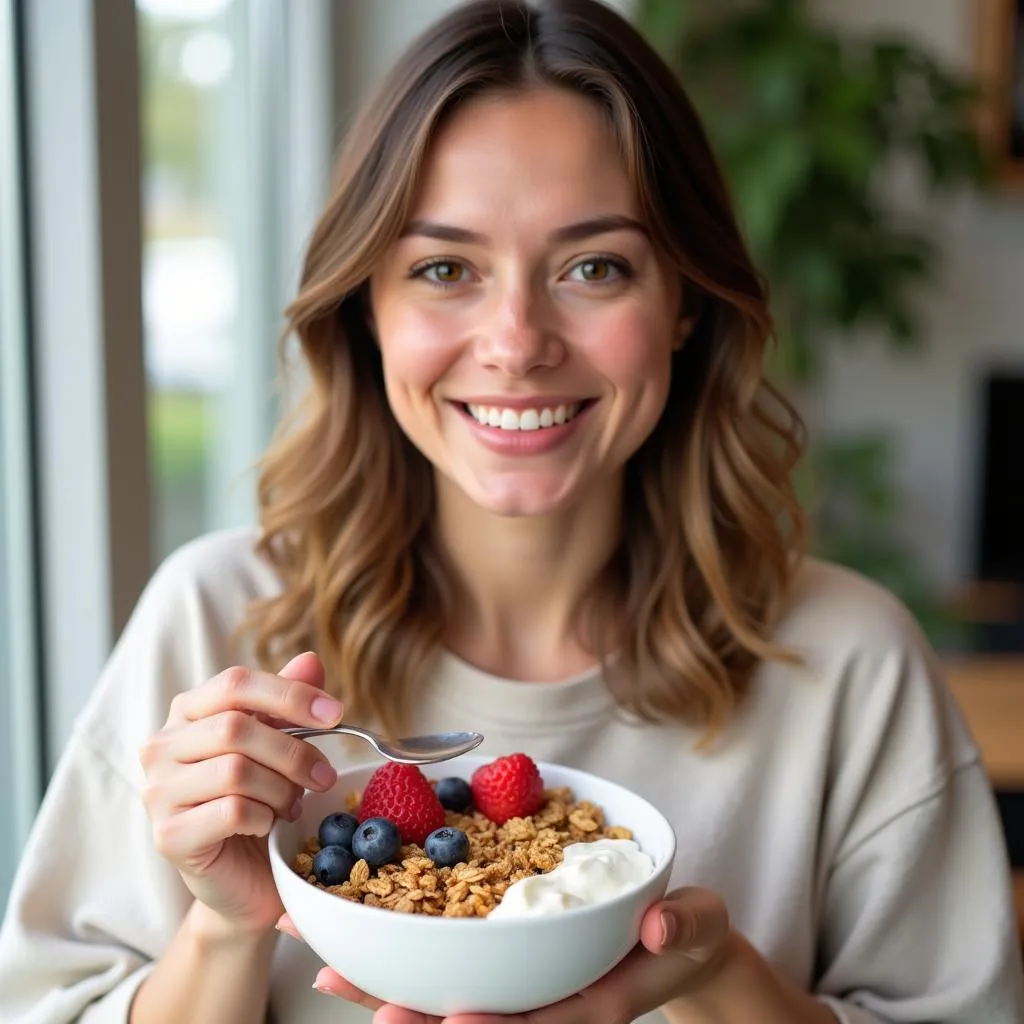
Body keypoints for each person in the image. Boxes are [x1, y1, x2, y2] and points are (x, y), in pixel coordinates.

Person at [2, 0, 1022, 1021]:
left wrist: (714, 981)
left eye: (593, 266)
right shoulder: (218, 623)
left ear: (684, 304)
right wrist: (224, 925)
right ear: (368, 308)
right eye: (444, 268)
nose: (517, 341)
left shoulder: (846, 664)